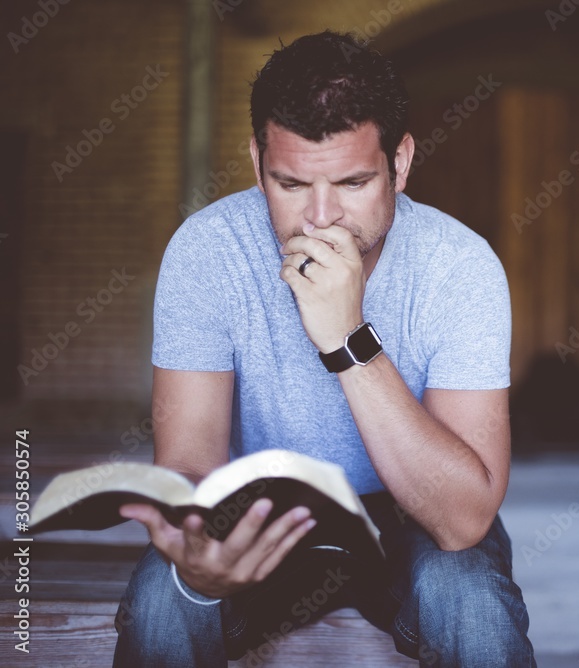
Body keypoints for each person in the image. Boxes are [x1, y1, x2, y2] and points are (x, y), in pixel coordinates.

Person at [112, 30, 535, 667]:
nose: (320, 218)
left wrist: (348, 339)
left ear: (401, 163)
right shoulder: (206, 252)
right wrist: (200, 551)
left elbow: (462, 517)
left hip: (411, 515)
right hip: (258, 513)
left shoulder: (460, 267)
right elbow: (190, 463)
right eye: (289, 184)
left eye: (353, 182)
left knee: (469, 602)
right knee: (164, 600)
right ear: (257, 163)